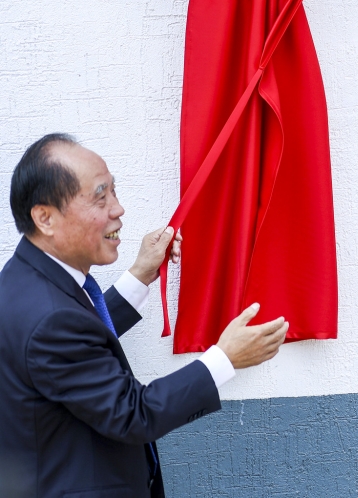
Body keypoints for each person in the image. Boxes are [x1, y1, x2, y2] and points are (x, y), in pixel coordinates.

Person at [0, 134, 291, 498]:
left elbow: (77, 346)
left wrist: (139, 276)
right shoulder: (50, 319)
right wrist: (224, 359)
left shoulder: (23, 282)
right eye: (100, 196)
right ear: (45, 217)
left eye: (114, 192)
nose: (118, 209)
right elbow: (132, 413)